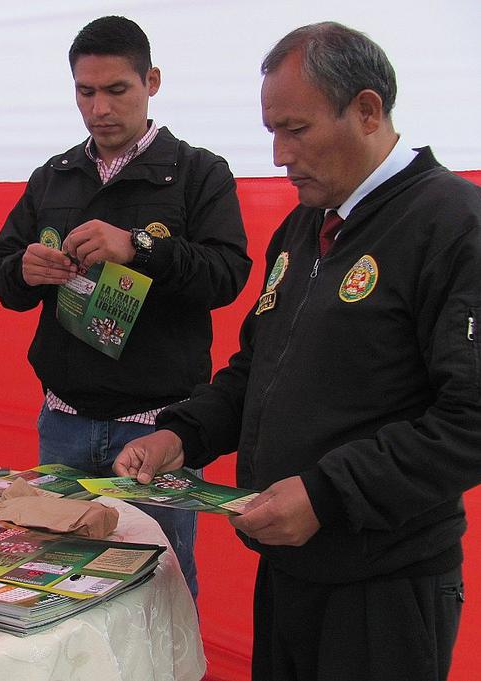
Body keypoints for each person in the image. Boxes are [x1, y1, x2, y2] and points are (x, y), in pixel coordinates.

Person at [114, 22, 481, 681]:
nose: (280, 156)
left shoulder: (454, 223)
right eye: (271, 132)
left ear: (366, 111)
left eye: (297, 129)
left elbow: (471, 418)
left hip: (384, 587)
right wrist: (181, 435)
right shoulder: (302, 227)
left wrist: (328, 493)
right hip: (288, 572)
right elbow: (256, 368)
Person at [0, 15, 250, 600]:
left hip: (160, 429)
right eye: (86, 92)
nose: (100, 108)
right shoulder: (52, 177)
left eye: (116, 90)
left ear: (151, 81)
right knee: (56, 585)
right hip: (63, 421)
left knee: (159, 589)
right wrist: (24, 270)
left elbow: (228, 274)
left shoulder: (198, 172)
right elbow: (3, 278)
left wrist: (140, 247)